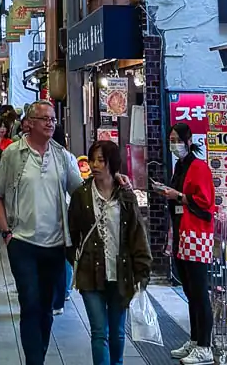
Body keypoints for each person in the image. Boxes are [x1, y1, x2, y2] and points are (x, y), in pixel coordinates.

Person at [0, 100, 83, 365]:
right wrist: (6, 232)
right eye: (44, 119)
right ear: (29, 123)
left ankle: (38, 353)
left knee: (46, 308)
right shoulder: (13, 154)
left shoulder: (63, 157)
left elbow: (80, 194)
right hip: (22, 242)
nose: (50, 123)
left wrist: (112, 179)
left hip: (55, 244)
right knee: (29, 303)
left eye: (53, 119)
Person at [69, 140, 153, 365]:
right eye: (92, 159)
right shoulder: (81, 196)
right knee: (99, 332)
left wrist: (142, 270)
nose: (95, 165)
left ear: (112, 164)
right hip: (90, 273)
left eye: (101, 160)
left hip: (121, 272)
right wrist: (77, 260)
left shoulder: (125, 196)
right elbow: (72, 233)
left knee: (117, 331)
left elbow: (137, 235)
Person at [158, 123, 215, 365]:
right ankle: (194, 339)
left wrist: (178, 196)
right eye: (171, 139)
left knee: (200, 292)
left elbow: (205, 201)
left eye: (177, 139)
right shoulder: (180, 166)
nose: (174, 144)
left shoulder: (198, 167)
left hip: (196, 235)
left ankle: (205, 346)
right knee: (190, 291)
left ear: (188, 140)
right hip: (182, 233)